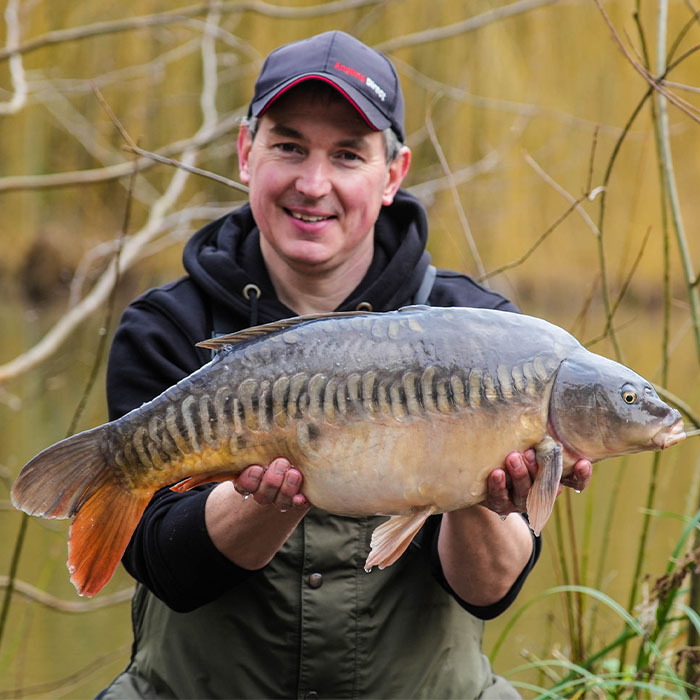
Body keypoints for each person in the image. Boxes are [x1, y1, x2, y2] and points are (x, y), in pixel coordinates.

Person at [99, 31, 592, 699]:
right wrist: (267, 501)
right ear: (247, 153)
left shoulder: (491, 336)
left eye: (347, 155)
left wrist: (471, 486)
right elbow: (170, 571)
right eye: (290, 147)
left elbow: (488, 593)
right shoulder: (168, 329)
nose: (313, 183)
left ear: (393, 174)